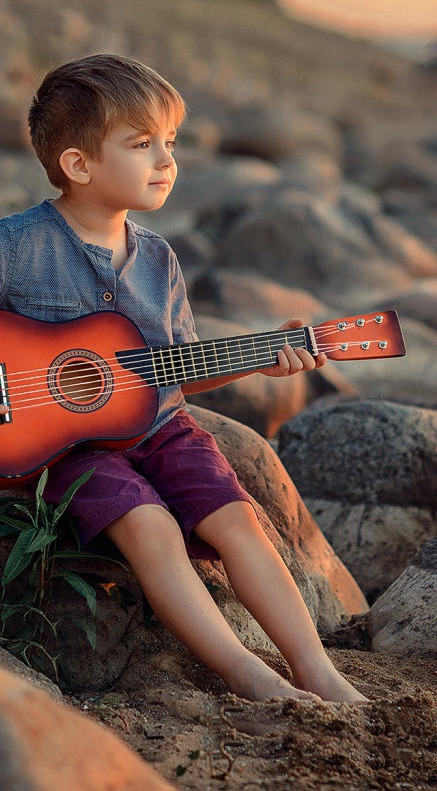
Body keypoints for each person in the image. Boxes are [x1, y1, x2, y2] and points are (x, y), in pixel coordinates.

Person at [0, 54, 366, 704]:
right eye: (142, 145)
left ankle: (317, 670)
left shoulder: (159, 259)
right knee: (150, 527)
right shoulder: (16, 244)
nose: (167, 161)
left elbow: (176, 371)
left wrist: (262, 357)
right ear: (78, 165)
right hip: (66, 448)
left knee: (238, 520)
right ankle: (244, 672)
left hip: (163, 428)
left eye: (170, 142)